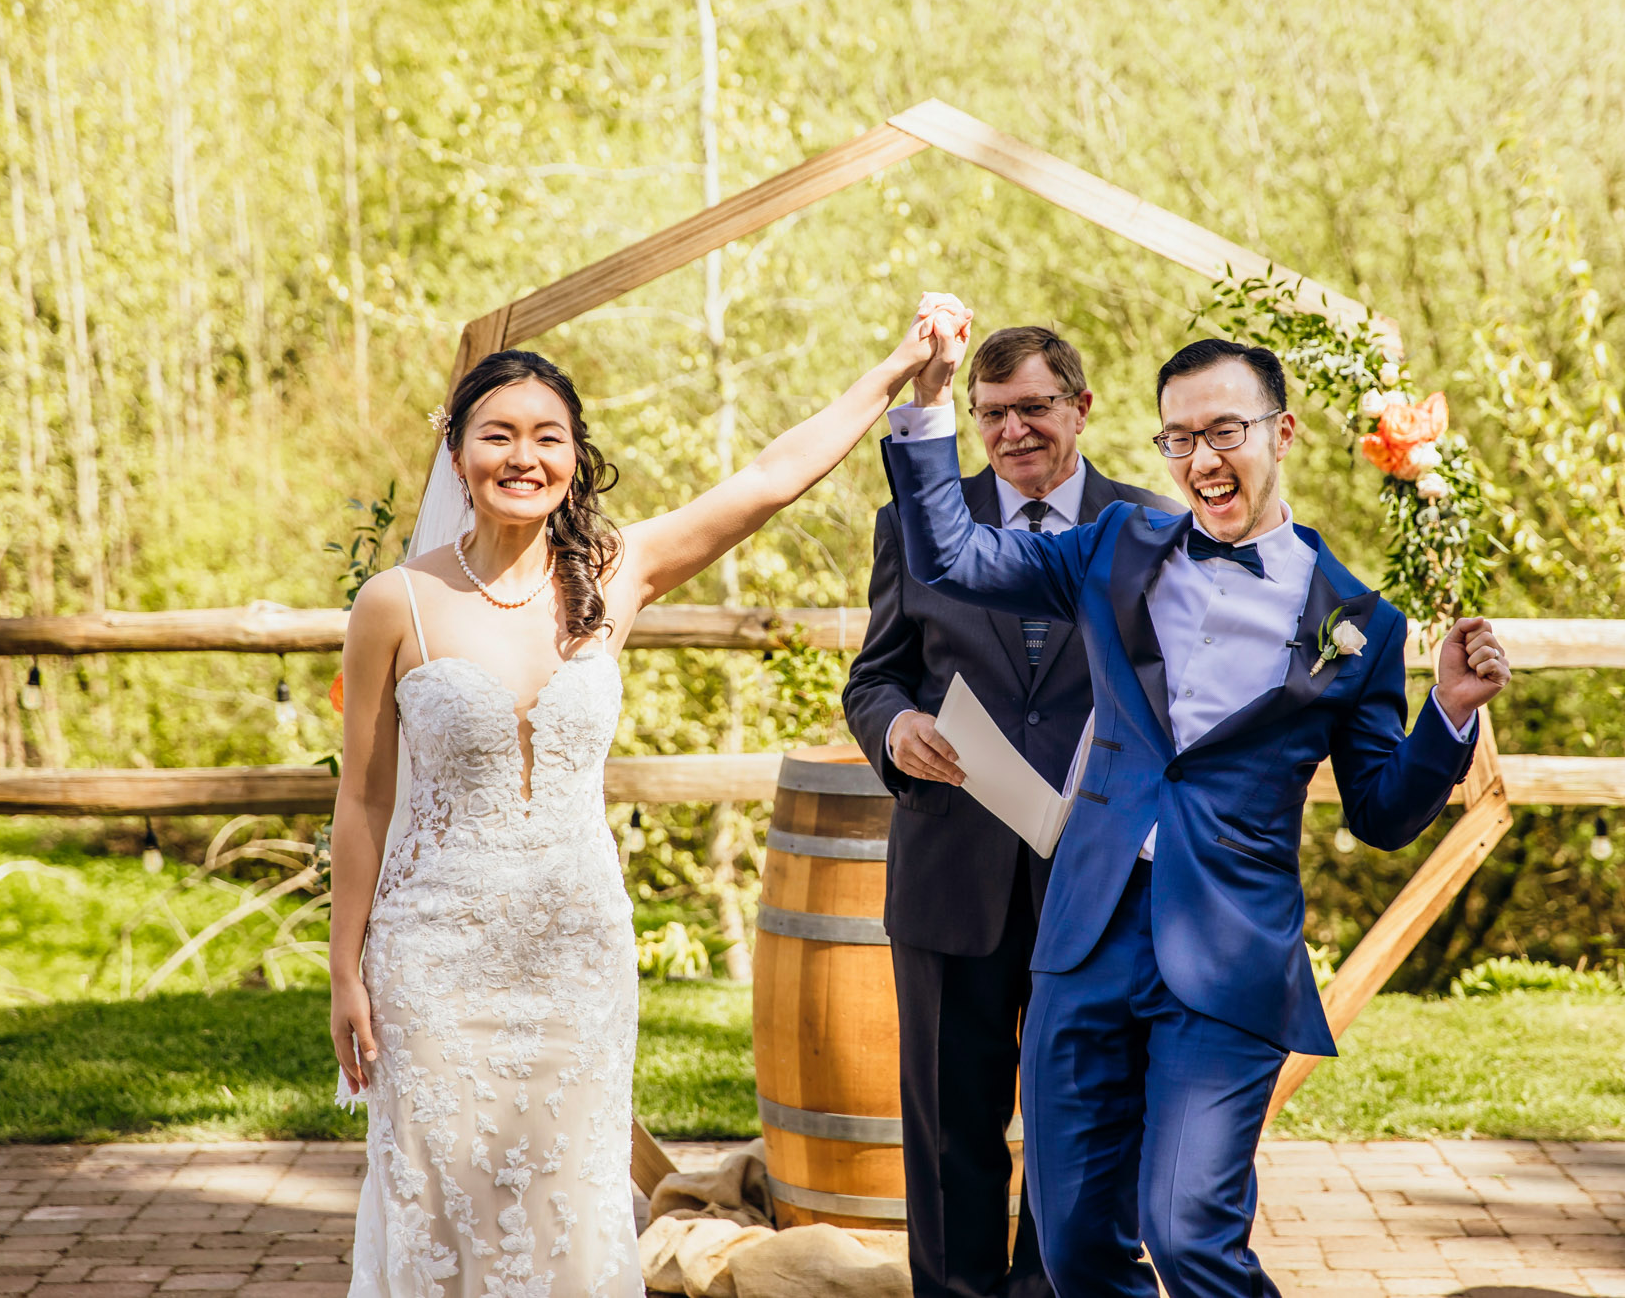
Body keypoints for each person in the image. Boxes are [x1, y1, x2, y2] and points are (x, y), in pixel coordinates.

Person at [328, 300, 965, 1298]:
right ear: (456, 455)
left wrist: (898, 364)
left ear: (576, 458)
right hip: (432, 954)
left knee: (572, 1192)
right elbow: (362, 802)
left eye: (548, 436)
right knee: (440, 1198)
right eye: (497, 435)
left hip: (578, 946)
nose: (523, 456)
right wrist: (345, 970)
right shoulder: (393, 605)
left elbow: (766, 481)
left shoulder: (612, 574)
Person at [880, 316, 1512, 1298]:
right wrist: (926, 397)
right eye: (1177, 438)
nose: (1200, 459)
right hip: (1082, 937)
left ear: (1282, 433)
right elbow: (954, 559)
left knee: (1188, 1238)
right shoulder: (1117, 546)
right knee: (1076, 1249)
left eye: (1224, 431)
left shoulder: (1357, 624)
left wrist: (1446, 714)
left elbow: (1382, 811)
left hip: (1226, 950)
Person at [844, 326, 1177, 1298]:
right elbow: (874, 678)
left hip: (1099, 878)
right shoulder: (913, 519)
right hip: (953, 865)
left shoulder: (1155, 528)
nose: (1012, 429)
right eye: (991, 413)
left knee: (1083, 1123)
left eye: (1033, 407)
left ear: (1080, 406)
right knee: (949, 1124)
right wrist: (895, 726)